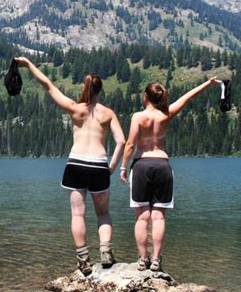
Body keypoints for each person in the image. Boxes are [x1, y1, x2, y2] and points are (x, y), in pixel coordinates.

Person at [14, 57, 125, 276]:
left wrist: (29, 66)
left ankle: (83, 260)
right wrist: (112, 167)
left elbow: (48, 85)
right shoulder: (108, 113)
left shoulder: (74, 108)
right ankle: (105, 253)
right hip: (98, 165)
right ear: (100, 90)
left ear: (84, 87)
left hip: (76, 164)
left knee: (77, 214)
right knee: (103, 214)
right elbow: (121, 141)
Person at [120, 77, 220, 272]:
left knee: (142, 218)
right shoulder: (166, 114)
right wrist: (207, 84)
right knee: (158, 217)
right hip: (162, 164)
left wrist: (123, 167)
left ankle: (143, 259)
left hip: (141, 164)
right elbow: (187, 97)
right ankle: (156, 260)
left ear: (145, 97)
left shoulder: (138, 117)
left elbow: (130, 144)